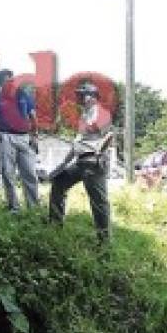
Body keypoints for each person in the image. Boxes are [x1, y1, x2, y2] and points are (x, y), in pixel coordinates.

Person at [48, 81, 114, 241]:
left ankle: (104, 240)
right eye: (79, 95)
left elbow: (108, 135)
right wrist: (62, 165)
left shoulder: (101, 113)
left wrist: (99, 155)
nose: (80, 98)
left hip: (93, 161)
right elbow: (77, 144)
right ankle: (55, 227)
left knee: (98, 201)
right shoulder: (84, 115)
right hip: (80, 161)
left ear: (93, 97)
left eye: (83, 95)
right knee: (58, 183)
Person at [0, 69, 40, 211]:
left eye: (10, 79)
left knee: (30, 173)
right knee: (7, 173)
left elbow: (33, 116)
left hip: (24, 137)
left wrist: (35, 136)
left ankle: (33, 208)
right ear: (0, 83)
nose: (9, 82)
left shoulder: (23, 95)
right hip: (6, 137)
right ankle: (14, 207)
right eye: (5, 80)